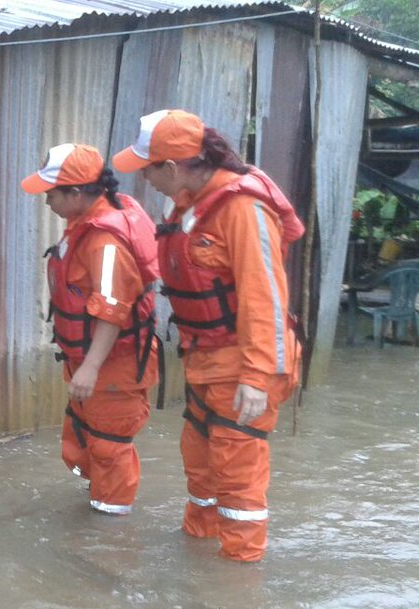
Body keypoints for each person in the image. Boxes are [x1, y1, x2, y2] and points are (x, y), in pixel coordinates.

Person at [112, 109, 303, 562]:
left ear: (172, 167)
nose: (145, 179)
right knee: (199, 465)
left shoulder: (242, 208)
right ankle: (198, 556)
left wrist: (258, 377)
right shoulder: (188, 207)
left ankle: (237, 585)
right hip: (206, 363)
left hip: (244, 368)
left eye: (147, 169)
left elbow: (267, 299)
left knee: (237, 479)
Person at [21, 143, 161, 516]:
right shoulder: (84, 223)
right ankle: (95, 518)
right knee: (85, 444)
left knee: (110, 450)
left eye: (52, 192)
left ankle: (109, 544)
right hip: (92, 363)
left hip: (114, 367)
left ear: (78, 192)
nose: (47, 199)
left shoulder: (105, 239)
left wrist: (91, 367)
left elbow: (114, 307)